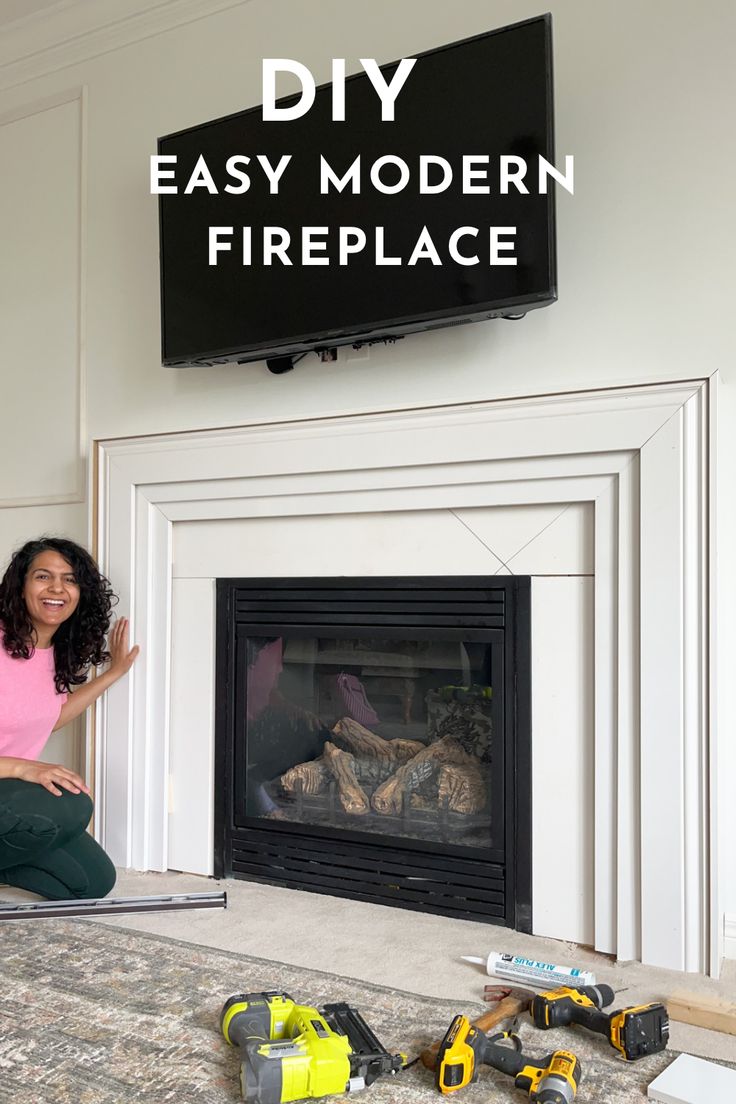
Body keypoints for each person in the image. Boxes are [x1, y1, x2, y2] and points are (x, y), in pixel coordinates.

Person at [0, 536, 139, 900]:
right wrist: (23, 768)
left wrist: (113, 673)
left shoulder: (55, 654)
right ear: (21, 585)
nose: (57, 588)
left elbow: (49, 716)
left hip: (7, 793)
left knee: (92, 880)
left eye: (70, 579)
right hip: (7, 779)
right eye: (43, 576)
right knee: (73, 804)